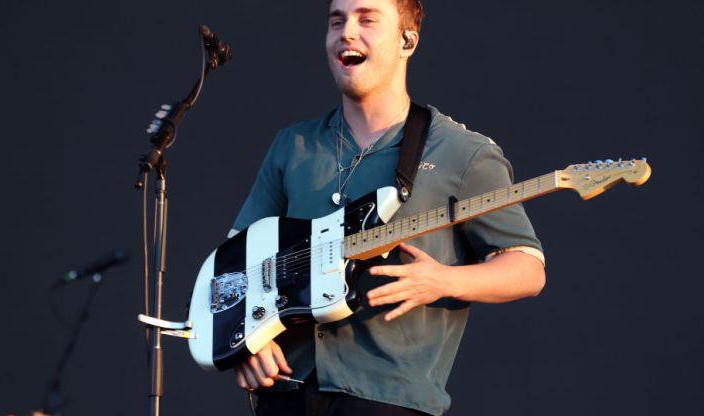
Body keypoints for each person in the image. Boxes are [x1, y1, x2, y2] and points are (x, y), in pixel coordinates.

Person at [229, 0, 546, 415]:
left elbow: (527, 268)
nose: (346, 32)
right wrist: (246, 343)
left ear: (407, 40)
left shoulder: (463, 153)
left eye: (367, 18)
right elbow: (235, 260)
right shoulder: (294, 145)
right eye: (336, 21)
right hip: (285, 391)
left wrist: (444, 280)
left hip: (387, 398)